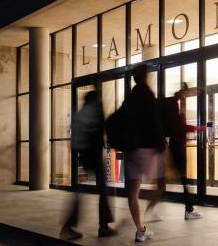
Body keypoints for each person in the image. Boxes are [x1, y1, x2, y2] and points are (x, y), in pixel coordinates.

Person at [60, 90, 117, 240]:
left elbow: (74, 138)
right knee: (103, 190)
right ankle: (103, 227)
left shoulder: (80, 112)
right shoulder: (96, 108)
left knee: (82, 191)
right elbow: (104, 128)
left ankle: (69, 226)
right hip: (94, 155)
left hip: (84, 155)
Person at [120, 64, 165, 242]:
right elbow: (155, 122)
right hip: (146, 148)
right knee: (160, 187)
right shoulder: (147, 96)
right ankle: (146, 214)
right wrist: (160, 144)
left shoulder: (129, 98)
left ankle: (140, 229)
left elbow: (120, 120)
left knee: (132, 192)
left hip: (130, 149)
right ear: (145, 77)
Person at [161, 82, 203, 220]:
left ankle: (188, 208)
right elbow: (181, 127)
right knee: (184, 179)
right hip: (177, 147)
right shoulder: (173, 109)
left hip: (176, 146)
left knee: (183, 179)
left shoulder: (174, 108)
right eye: (184, 95)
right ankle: (189, 209)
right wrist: (199, 128)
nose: (185, 99)